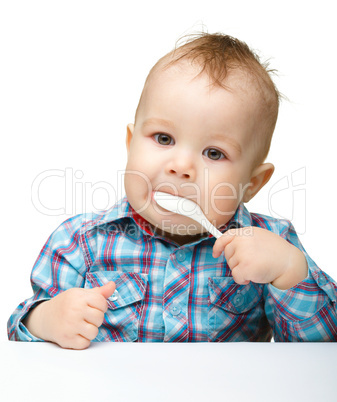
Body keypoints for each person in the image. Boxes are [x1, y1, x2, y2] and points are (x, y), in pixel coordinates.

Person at [8, 33, 337, 349]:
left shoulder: (272, 245)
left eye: (214, 153)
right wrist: (47, 320)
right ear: (130, 143)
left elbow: (322, 346)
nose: (181, 166)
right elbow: (19, 333)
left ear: (251, 184)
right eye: (163, 138)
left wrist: (290, 272)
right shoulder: (80, 241)